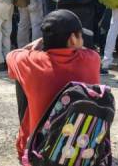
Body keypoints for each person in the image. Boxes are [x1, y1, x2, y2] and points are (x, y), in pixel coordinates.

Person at [7, 9, 100, 162]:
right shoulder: (92, 59)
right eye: (79, 35)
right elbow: (84, 49)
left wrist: (37, 43)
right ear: (72, 39)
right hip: (81, 148)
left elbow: (11, 56)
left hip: (43, 154)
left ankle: (27, 141)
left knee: (22, 76)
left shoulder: (30, 61)